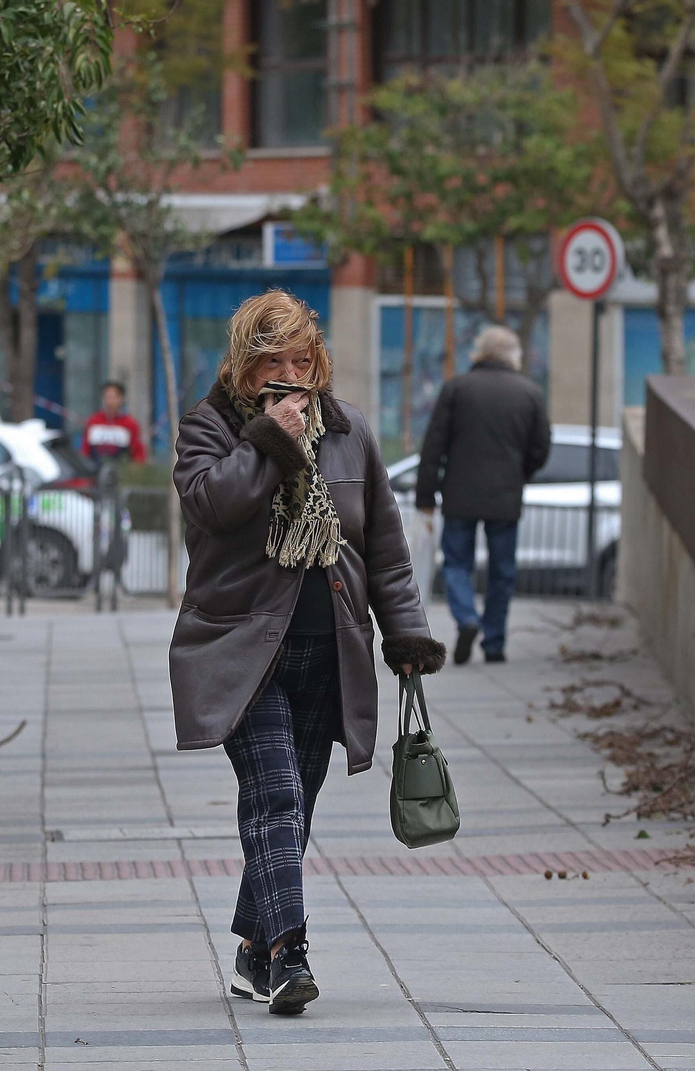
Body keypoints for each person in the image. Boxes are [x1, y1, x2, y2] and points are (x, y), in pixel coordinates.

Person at [170, 289, 446, 1015]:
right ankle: (291, 953)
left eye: (302, 359)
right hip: (240, 647)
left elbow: (383, 546)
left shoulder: (350, 430)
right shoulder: (208, 429)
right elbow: (210, 507)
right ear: (244, 368)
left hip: (331, 646)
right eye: (272, 363)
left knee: (294, 804)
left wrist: (406, 634)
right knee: (276, 791)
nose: (291, 375)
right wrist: (269, 440)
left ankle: (253, 949)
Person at [415, 324, 551, 666]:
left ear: (479, 352)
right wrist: (520, 474)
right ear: (513, 356)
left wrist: (425, 498)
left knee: (457, 563)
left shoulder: (457, 389)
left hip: (459, 495)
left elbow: (433, 447)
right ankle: (494, 643)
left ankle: (466, 618)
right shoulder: (530, 392)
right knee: (502, 571)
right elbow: (541, 448)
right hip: (505, 497)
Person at [81, 381, 148, 464]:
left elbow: (137, 452)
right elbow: (85, 451)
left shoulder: (130, 423)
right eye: (107, 397)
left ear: (121, 399)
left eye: (113, 397)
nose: (109, 402)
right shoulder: (93, 421)